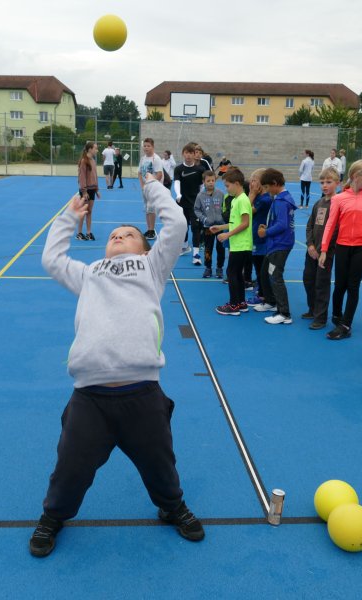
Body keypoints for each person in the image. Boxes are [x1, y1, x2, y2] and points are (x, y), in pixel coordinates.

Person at [30, 175, 204, 558]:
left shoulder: (152, 268)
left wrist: (153, 189)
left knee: (160, 463)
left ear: (145, 249)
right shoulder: (90, 274)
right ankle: (53, 516)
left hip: (141, 392)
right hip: (89, 397)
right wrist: (68, 218)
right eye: (114, 235)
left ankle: (171, 506)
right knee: (70, 467)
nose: (119, 237)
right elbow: (52, 260)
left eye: (128, 234)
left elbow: (175, 223)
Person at [319, 160, 362, 340]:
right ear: (356, 177)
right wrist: (324, 250)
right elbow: (330, 225)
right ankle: (337, 316)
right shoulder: (339, 199)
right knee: (340, 285)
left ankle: (346, 324)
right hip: (342, 247)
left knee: (353, 286)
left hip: (361, 248)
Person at [209, 169, 252, 315]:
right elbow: (235, 222)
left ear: (237, 184)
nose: (226, 189)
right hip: (238, 243)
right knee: (237, 273)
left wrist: (227, 235)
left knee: (231, 272)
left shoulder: (242, 200)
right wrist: (220, 227)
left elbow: (245, 223)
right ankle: (241, 303)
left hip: (241, 244)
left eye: (228, 186)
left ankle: (233, 305)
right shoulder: (235, 200)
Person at [256, 168, 296, 325]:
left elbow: (282, 224)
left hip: (280, 244)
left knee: (275, 276)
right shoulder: (283, 198)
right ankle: (271, 302)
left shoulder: (281, 201)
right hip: (277, 243)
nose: (266, 191)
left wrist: (266, 233)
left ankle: (284, 313)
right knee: (265, 272)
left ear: (274, 184)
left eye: (266, 187)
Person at [302, 168, 339, 330]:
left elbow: (335, 230)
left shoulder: (337, 204)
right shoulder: (319, 203)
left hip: (326, 253)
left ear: (337, 183)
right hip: (312, 251)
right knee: (308, 279)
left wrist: (323, 249)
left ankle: (321, 317)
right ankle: (312, 308)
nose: (325, 186)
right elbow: (310, 225)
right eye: (322, 182)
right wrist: (310, 245)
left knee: (321, 284)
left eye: (329, 182)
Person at [173, 142, 206, 260]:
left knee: (195, 227)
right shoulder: (178, 169)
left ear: (194, 154)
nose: (188, 155)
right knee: (183, 226)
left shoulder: (200, 169)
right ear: (183, 154)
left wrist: (201, 198)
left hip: (195, 203)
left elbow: (202, 186)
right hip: (181, 202)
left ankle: (196, 254)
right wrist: (178, 194)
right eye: (186, 153)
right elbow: (176, 182)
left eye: (191, 153)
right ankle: (185, 246)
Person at [246, 169, 273, 306]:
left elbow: (246, 211)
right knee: (258, 266)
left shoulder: (264, 199)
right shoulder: (260, 198)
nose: (251, 183)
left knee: (260, 266)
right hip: (255, 236)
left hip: (261, 239)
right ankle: (261, 291)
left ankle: (263, 294)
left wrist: (251, 194)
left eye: (254, 180)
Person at [193, 171, 225, 278]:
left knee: (221, 249)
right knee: (208, 248)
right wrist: (204, 219)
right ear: (203, 182)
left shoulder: (220, 194)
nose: (211, 183)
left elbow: (224, 208)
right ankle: (208, 268)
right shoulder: (200, 196)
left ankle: (219, 268)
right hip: (208, 227)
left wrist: (223, 218)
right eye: (208, 181)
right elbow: (196, 209)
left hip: (220, 226)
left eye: (213, 181)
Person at [138, 138, 164, 240]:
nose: (146, 148)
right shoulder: (143, 158)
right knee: (147, 209)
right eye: (145, 146)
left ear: (152, 147)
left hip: (153, 187)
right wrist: (142, 185)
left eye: (148, 146)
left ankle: (152, 230)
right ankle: (149, 229)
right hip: (145, 187)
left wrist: (151, 183)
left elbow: (159, 174)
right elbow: (140, 172)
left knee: (151, 208)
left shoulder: (156, 159)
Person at [76, 141, 100, 240]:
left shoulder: (93, 161)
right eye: (95, 148)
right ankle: (79, 233)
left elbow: (95, 176)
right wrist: (84, 191)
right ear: (90, 149)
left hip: (92, 190)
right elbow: (82, 178)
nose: (97, 150)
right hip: (85, 191)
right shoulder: (83, 161)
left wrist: (97, 189)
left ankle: (88, 233)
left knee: (89, 211)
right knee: (84, 211)